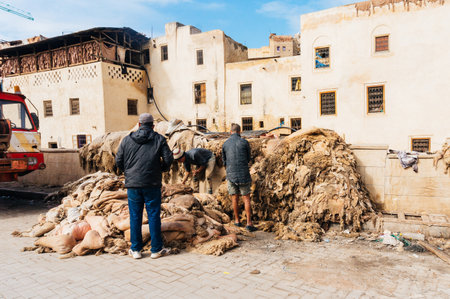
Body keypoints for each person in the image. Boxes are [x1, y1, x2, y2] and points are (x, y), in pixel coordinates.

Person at [115, 113, 173, 259]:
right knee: (153, 215)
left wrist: (128, 171)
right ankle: (156, 250)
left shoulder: (127, 140)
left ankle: (136, 250)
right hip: (152, 184)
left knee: (135, 216)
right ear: (153, 126)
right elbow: (168, 159)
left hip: (133, 185)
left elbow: (118, 161)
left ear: (139, 125)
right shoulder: (159, 139)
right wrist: (161, 169)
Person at [222, 123, 256, 232]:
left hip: (231, 174)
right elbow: (247, 159)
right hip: (243, 174)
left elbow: (224, 161)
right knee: (246, 198)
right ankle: (249, 223)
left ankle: (237, 221)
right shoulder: (244, 142)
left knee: (234, 198)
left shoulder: (225, 144)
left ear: (230, 132)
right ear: (239, 132)